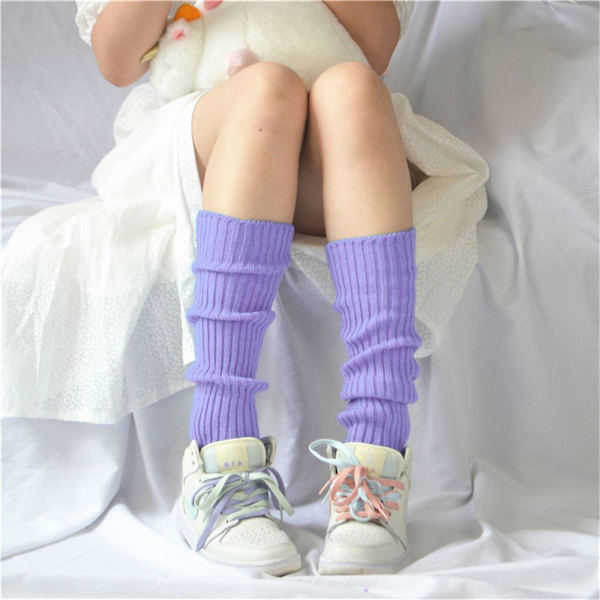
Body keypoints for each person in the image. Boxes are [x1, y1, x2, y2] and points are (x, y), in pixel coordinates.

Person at [1, 0, 488, 577]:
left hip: (329, 147)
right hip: (209, 139)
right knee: (266, 88)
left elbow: (375, 47)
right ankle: (220, 449)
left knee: (355, 86)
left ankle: (377, 455)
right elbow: (117, 61)